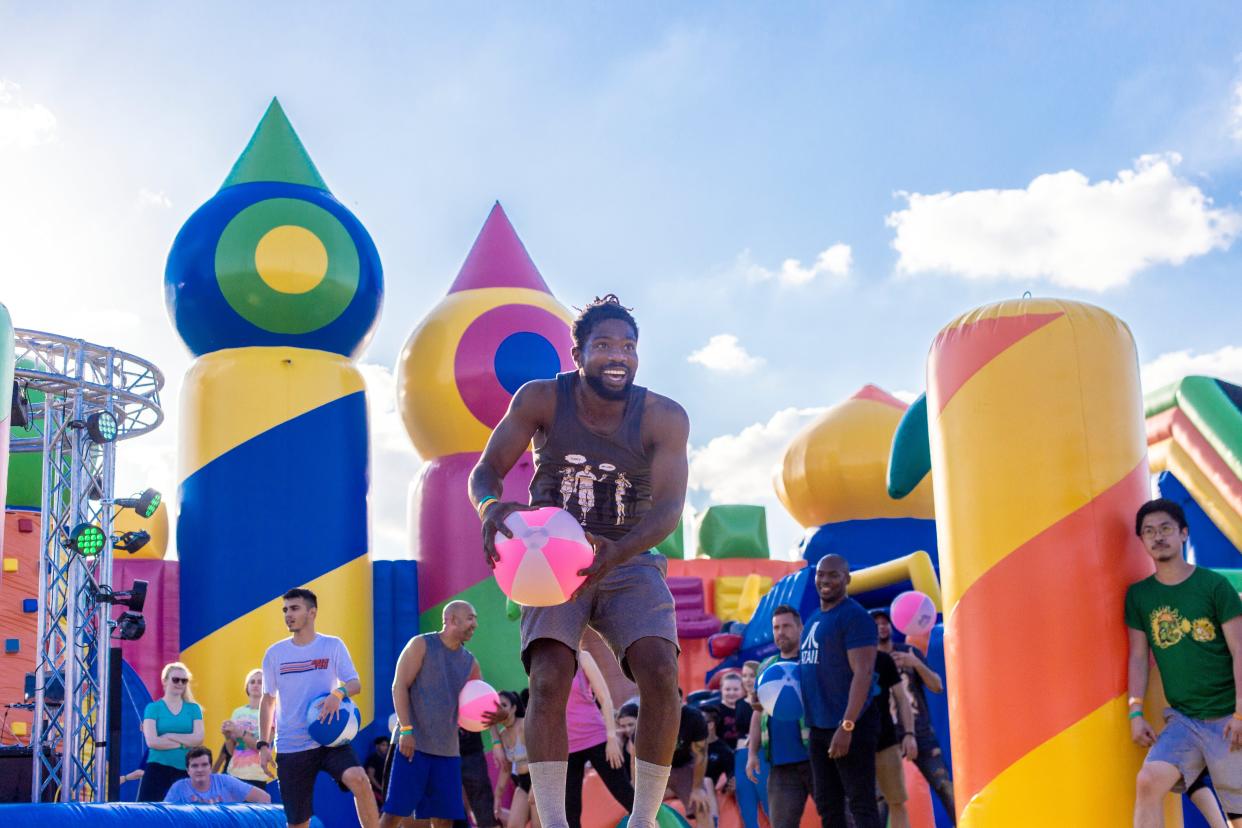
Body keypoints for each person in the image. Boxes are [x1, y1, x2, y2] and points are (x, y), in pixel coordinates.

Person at [470, 295, 689, 828]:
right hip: (552, 557)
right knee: (548, 677)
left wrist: (619, 551)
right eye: (605, 345)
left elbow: (667, 510)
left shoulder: (664, 415)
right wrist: (489, 506)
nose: (619, 356)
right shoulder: (542, 398)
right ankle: (553, 821)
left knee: (661, 673)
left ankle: (643, 818)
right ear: (578, 352)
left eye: (629, 346)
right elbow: (486, 472)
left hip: (628, 553)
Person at [1127, 499, 1242, 827]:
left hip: (1227, 718)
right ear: (1142, 541)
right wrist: (1135, 711)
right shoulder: (1140, 596)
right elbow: (1137, 657)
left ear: (1184, 534)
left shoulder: (1214, 586)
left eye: (1165, 529)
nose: (1157, 537)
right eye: (1149, 531)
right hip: (1185, 721)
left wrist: (1240, 712)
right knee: (1148, 781)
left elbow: (1240, 650)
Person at [258, 588, 378, 828]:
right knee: (298, 823)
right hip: (292, 746)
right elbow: (268, 700)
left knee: (359, 779)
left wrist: (338, 693)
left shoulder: (332, 646)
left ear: (312, 612)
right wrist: (263, 744)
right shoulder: (274, 653)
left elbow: (355, 683)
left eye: (294, 608)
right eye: (285, 610)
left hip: (330, 740)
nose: (288, 615)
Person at [383, 600, 487, 828]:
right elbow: (399, 686)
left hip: (448, 753)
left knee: (444, 820)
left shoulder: (471, 663)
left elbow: (478, 708)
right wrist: (406, 730)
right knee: (394, 814)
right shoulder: (421, 645)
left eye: (475, 619)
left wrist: (494, 715)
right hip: (412, 746)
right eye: (470, 618)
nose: (475, 624)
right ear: (451, 619)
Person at [800, 555, 881, 828]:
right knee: (828, 805)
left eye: (833, 575)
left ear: (847, 578)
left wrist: (847, 726)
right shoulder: (812, 619)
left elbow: (864, 673)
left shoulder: (855, 617)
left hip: (850, 726)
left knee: (861, 804)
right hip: (819, 728)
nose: (825, 580)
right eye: (821, 574)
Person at [872, 609, 955, 822]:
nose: (882, 626)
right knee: (881, 801)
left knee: (945, 787)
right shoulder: (868, 661)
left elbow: (937, 686)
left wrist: (916, 663)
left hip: (921, 734)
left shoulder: (908, 652)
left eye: (885, 622)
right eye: (876, 623)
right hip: (886, 740)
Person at [746, 605, 813, 828]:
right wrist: (752, 753)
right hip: (781, 764)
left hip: (818, 757)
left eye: (786, 626)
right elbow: (757, 712)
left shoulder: (813, 662)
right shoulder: (766, 667)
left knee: (840, 818)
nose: (780, 632)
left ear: (800, 628)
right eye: (776, 627)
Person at [565, 647, 634, 828]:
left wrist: (612, 740)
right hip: (566, 747)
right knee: (569, 810)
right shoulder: (542, 661)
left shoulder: (583, 657)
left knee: (625, 794)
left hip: (597, 738)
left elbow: (605, 698)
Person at [138, 661, 204, 801]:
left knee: (183, 817)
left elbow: (198, 739)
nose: (180, 683)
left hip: (185, 770)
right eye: (176, 679)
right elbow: (152, 742)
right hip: (157, 768)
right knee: (148, 815)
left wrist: (170, 736)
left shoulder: (194, 709)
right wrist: (183, 743)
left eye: (184, 680)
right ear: (165, 681)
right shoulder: (153, 708)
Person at [869, 643, 917, 828]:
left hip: (886, 742)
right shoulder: (841, 658)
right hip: (854, 744)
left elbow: (902, 699)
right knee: (862, 805)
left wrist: (909, 733)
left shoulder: (882, 660)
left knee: (896, 800)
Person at [165, 746, 272, 805]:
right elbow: (165, 816)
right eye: (195, 766)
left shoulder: (226, 782)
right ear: (188, 770)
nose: (200, 769)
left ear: (211, 768)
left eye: (204, 765)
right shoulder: (178, 788)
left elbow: (264, 798)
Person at [492, 690, 537, 828]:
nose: (500, 710)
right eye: (497, 707)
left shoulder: (524, 725)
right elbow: (506, 769)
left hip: (539, 778)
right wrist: (497, 797)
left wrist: (536, 786)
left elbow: (541, 757)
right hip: (522, 782)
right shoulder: (502, 735)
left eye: (504, 705)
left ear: (514, 708)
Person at [222, 667, 270, 790]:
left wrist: (240, 732)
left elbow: (264, 748)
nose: (256, 685)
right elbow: (231, 750)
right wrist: (227, 736)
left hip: (256, 776)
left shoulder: (271, 713)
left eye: (260, 682)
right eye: (252, 681)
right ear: (247, 686)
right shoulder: (237, 712)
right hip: (233, 773)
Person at [668, 689, 711, 822]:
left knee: (701, 804)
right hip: (654, 768)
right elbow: (636, 755)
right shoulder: (650, 717)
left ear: (683, 701)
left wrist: (697, 788)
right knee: (637, 807)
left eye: (677, 703)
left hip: (683, 766)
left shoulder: (693, 717)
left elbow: (701, 755)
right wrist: (636, 785)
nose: (673, 708)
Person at [457, 725, 499, 828]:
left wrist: (496, 742)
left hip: (472, 750)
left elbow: (489, 710)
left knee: (486, 815)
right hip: (441, 751)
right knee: (444, 814)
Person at [716, 673, 753, 751]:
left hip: (745, 751)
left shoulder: (749, 708)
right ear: (721, 690)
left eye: (736, 689)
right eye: (727, 689)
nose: (731, 693)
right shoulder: (717, 711)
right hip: (724, 753)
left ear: (744, 690)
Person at [365, 736, 390, 807]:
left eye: (387, 745)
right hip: (376, 793)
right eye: (383, 745)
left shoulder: (387, 759)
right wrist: (380, 788)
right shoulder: (373, 758)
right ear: (377, 746)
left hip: (385, 792)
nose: (386, 747)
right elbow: (370, 776)